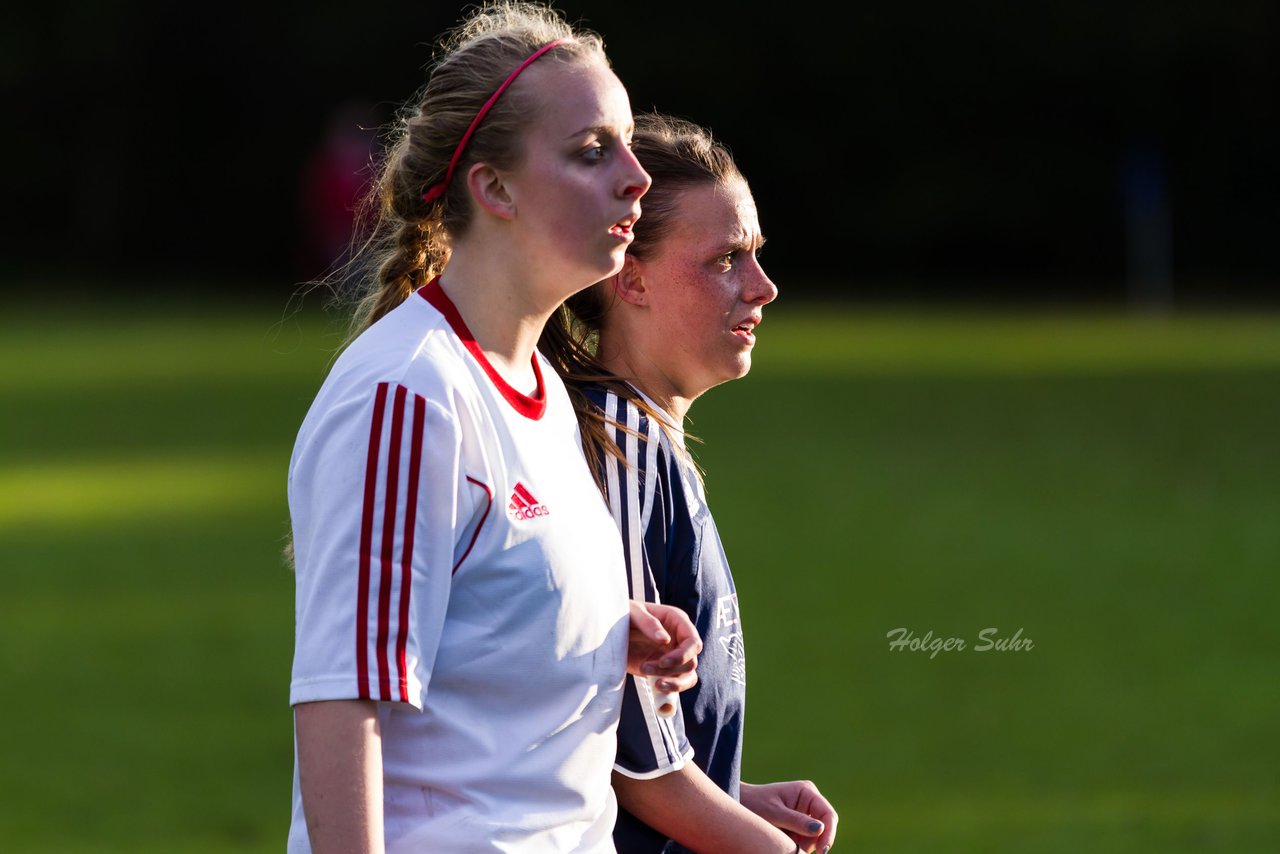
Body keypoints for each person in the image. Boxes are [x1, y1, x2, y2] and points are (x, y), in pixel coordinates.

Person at [286, 6, 703, 852]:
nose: (636, 176)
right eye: (593, 151)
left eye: (626, 145)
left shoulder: (539, 384)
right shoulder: (408, 393)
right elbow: (343, 703)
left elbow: (466, 631)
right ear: (495, 187)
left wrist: (595, 633)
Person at [541, 113, 839, 854]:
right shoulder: (622, 448)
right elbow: (633, 762)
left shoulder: (641, 438)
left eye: (757, 255)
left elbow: (640, 736)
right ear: (631, 279)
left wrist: (734, 792)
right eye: (726, 260)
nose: (762, 287)